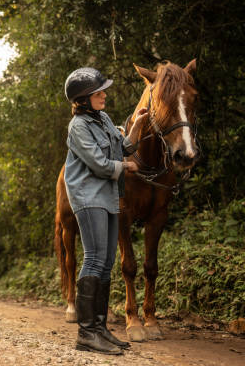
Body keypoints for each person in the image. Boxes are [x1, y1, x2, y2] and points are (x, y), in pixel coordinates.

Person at [63, 67, 148, 355]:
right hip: (88, 197)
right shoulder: (78, 128)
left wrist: (138, 123)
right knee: (95, 258)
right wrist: (126, 167)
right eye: (98, 92)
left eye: (103, 90)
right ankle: (86, 334)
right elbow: (100, 164)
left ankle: (99, 328)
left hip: (109, 197)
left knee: (108, 260)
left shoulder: (104, 119)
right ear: (83, 98)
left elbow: (124, 146)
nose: (104, 95)